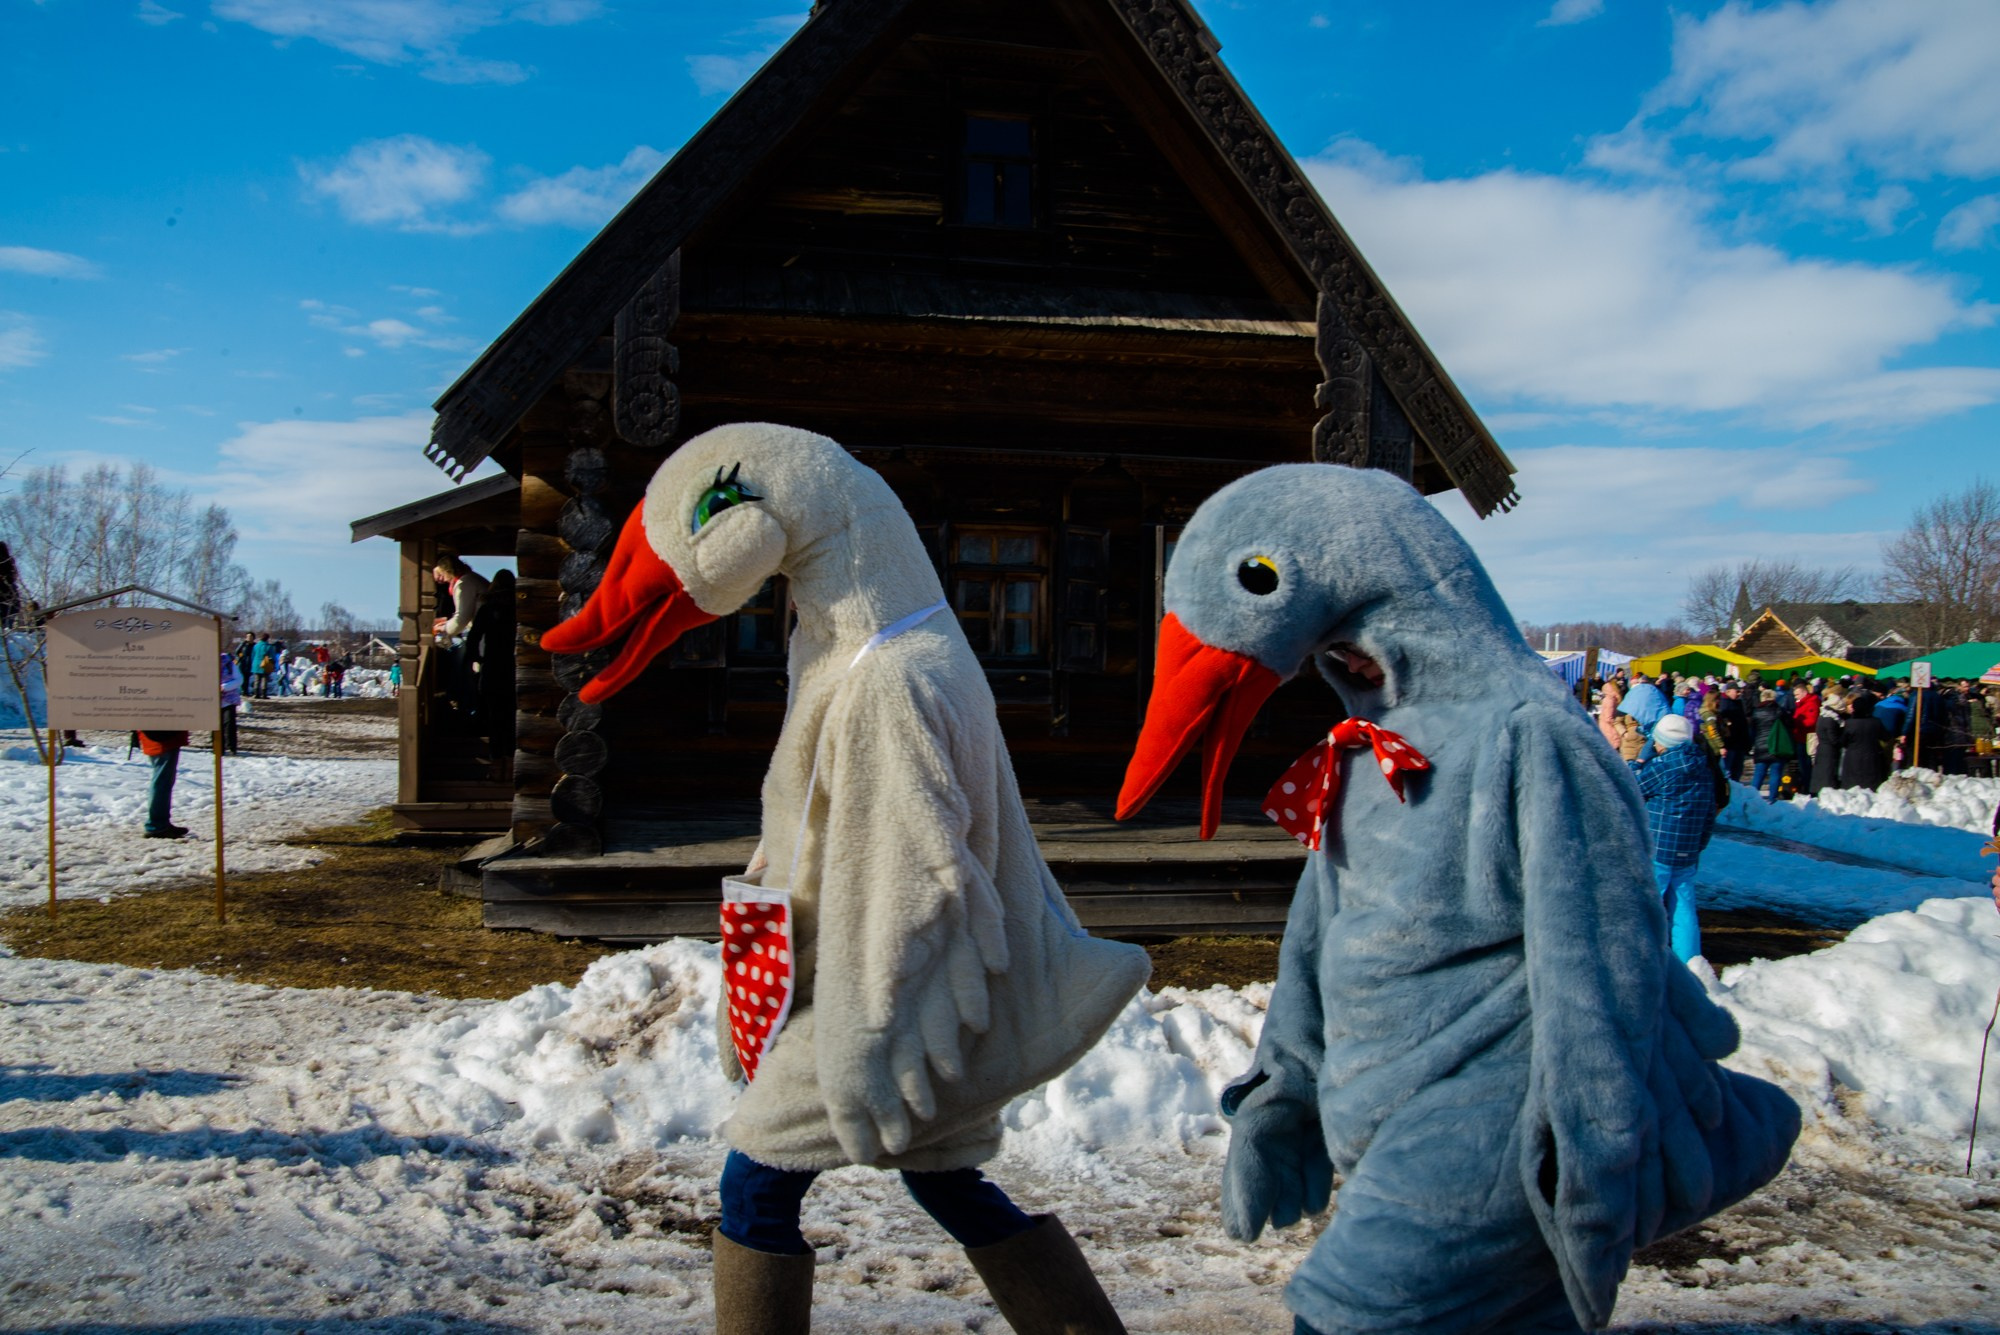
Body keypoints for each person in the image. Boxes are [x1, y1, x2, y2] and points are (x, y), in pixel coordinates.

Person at [1628, 714, 1716, 963]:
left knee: (1648, 905)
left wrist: (1638, 761)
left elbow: (1632, 786)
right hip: (1688, 850)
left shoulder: (1664, 766)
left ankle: (1641, 957)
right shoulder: (1703, 768)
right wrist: (1699, 845)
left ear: (1663, 742)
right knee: (1684, 908)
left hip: (1659, 848)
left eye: (1656, 740)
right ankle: (1690, 960)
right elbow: (1709, 812)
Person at [138, 729, 190, 839]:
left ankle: (160, 822)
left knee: (163, 780)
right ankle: (157, 825)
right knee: (162, 781)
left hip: (158, 736)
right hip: (164, 737)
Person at [1839, 694, 1894, 791]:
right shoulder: (1876, 722)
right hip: (1872, 756)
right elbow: (1886, 737)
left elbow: (1843, 741)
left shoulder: (1850, 723)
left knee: (1852, 788)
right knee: (1871, 787)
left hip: (1853, 758)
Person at [1748, 688, 1793, 803]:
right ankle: (1773, 798)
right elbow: (1788, 725)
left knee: (1759, 773)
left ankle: (1752, 797)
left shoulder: (1756, 712)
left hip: (1760, 746)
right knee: (1775, 773)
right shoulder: (1779, 711)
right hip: (1776, 746)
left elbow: (1752, 730)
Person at [1809, 688, 1845, 794]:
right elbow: (1833, 739)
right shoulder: (1831, 720)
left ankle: (1818, 790)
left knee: (1821, 773)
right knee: (1828, 774)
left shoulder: (1823, 715)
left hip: (1822, 749)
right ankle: (1828, 792)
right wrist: (1843, 739)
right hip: (1829, 751)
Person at [1715, 680, 1751, 782]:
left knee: (1737, 770)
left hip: (1740, 742)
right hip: (1729, 742)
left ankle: (1735, 788)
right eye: (1737, 691)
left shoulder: (1738, 703)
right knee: (1727, 770)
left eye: (1739, 691)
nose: (1739, 694)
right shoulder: (1723, 704)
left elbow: (1742, 723)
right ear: (1728, 691)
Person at [218, 651, 242, 756]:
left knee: (229, 723)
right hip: (213, 699)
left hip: (229, 699)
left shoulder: (228, 663)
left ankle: (231, 747)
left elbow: (239, 679)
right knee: (216, 725)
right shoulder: (206, 663)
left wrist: (224, 687)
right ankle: (218, 747)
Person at [248, 634, 273, 699]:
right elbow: (272, 656)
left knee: (257, 680)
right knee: (264, 679)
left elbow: (252, 655)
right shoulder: (268, 646)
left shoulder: (256, 646)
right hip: (265, 664)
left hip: (256, 664)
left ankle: (256, 694)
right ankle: (264, 694)